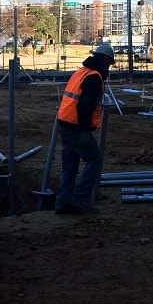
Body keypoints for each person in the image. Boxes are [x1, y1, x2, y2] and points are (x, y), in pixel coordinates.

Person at [55, 44, 115, 214]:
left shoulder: (81, 72)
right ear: (105, 60)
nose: (109, 67)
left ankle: (63, 202)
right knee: (95, 159)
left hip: (65, 123)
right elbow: (85, 106)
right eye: (109, 63)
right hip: (76, 127)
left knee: (70, 165)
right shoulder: (94, 77)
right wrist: (83, 131)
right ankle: (79, 198)